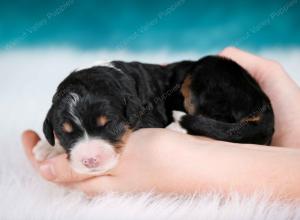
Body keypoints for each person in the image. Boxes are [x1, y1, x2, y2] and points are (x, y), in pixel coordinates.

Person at [22, 47, 300, 199]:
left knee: (211, 67)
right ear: (53, 128)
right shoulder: (119, 98)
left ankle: (217, 128)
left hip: (240, 106)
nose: (89, 155)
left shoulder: (136, 98)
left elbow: (148, 124)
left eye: (107, 126)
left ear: (130, 108)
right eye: (68, 135)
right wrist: (60, 147)